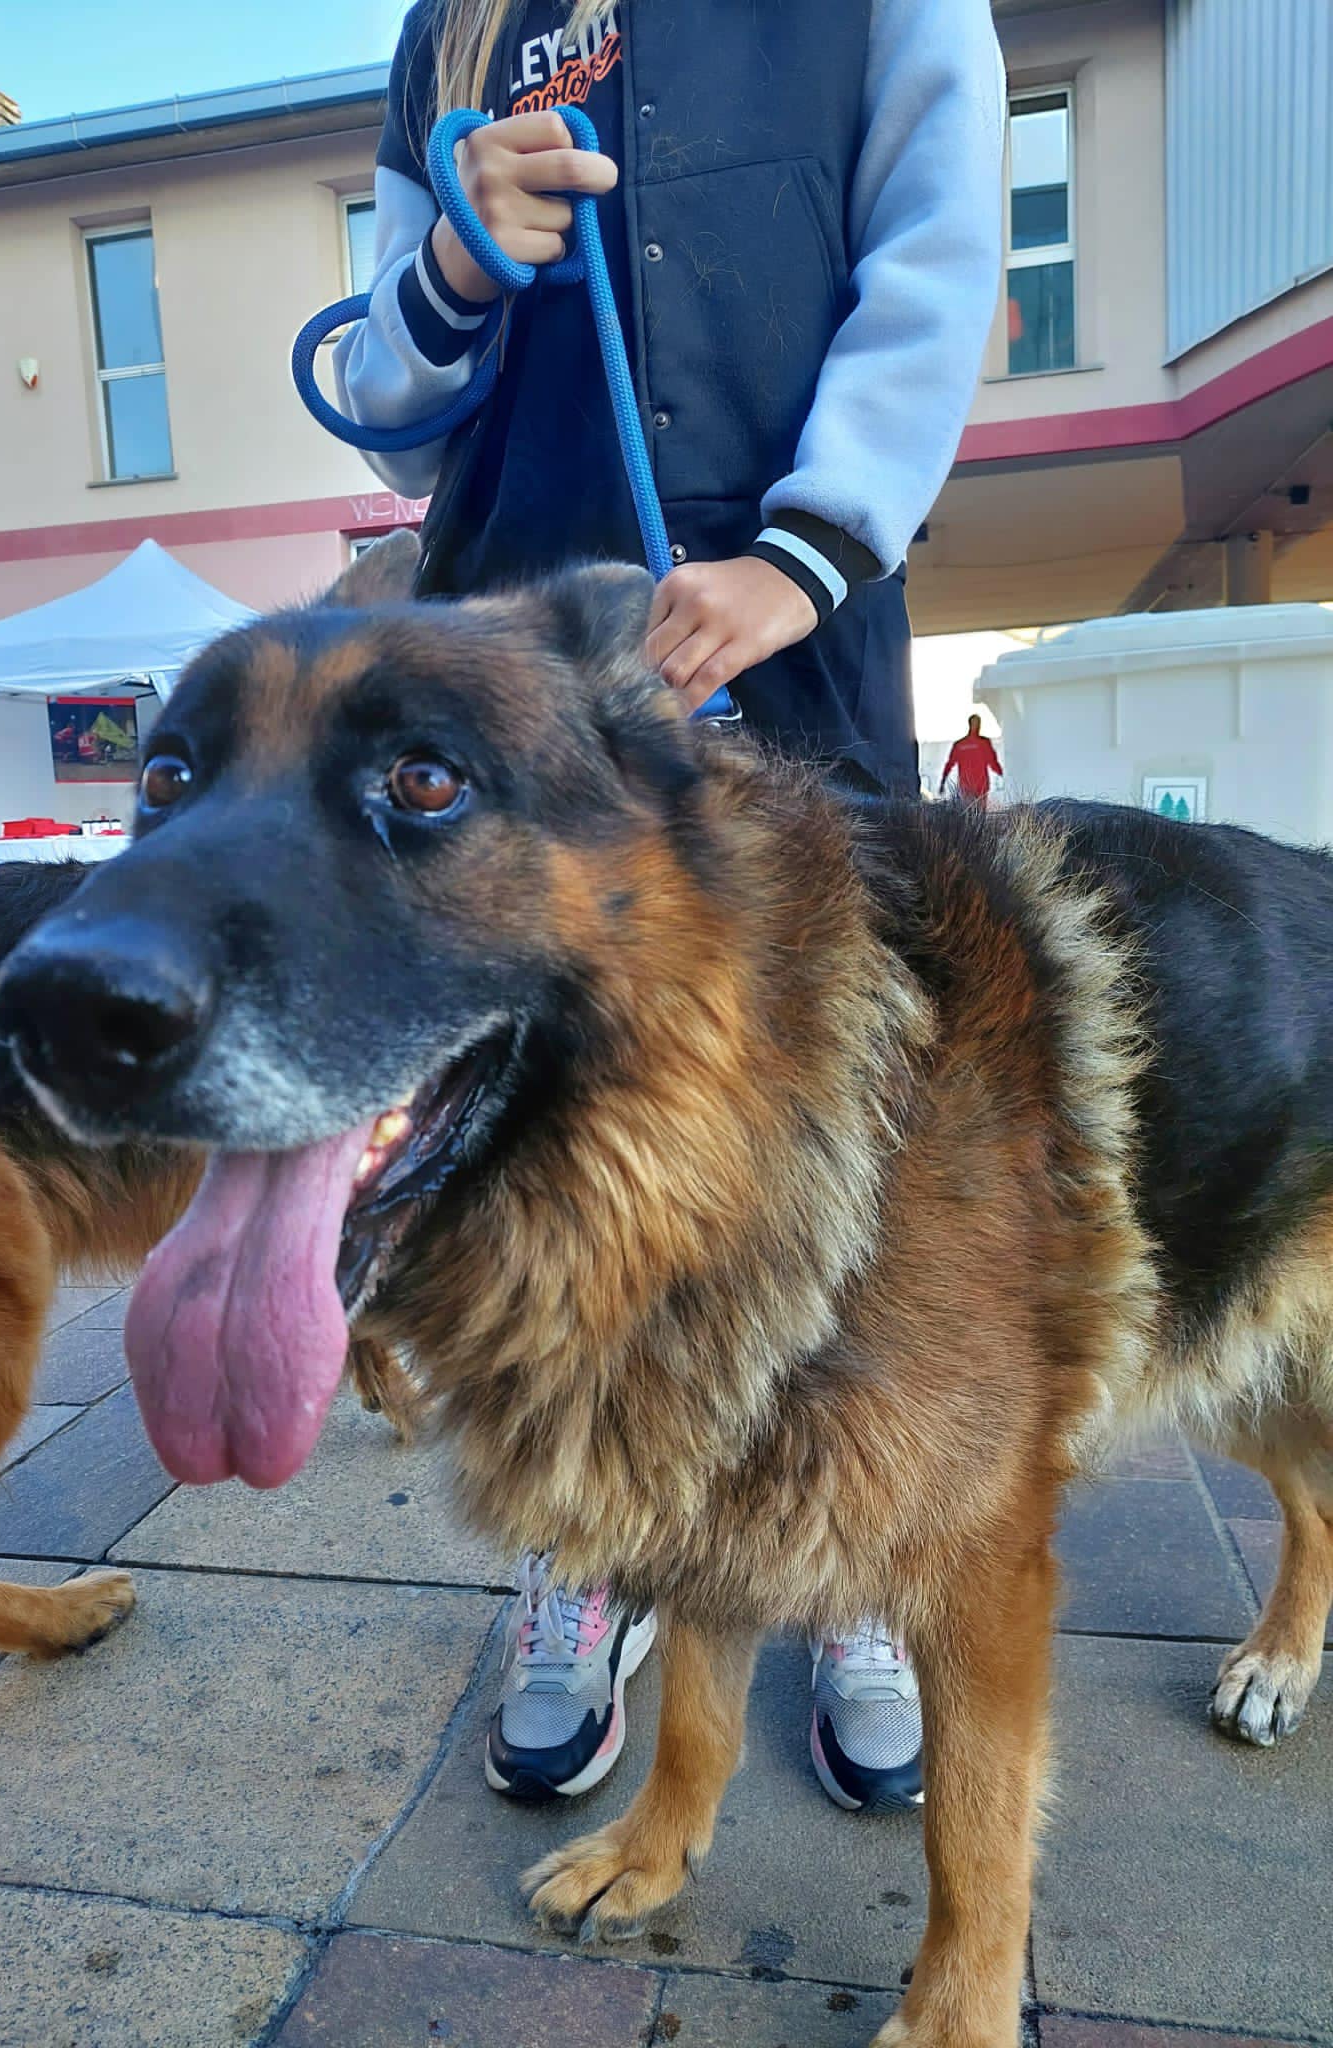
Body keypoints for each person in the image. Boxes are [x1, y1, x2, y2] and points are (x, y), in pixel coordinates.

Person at [336, 0, 1004, 1813]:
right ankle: (588, 1545)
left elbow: (940, 269)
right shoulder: (452, 28)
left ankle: (854, 1561)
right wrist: (455, 267)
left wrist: (807, 550)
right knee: (546, 1113)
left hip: (788, 634)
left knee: (852, 1117)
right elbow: (389, 419)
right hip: (517, 664)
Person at [939, 712, 1003, 807]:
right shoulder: (983, 743)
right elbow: (993, 763)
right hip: (979, 786)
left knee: (968, 814)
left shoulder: (960, 744)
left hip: (968, 786)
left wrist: (943, 782)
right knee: (979, 815)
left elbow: (949, 764)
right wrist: (1004, 775)